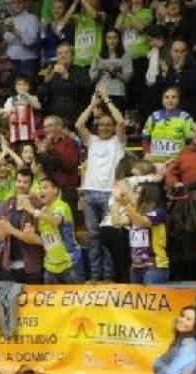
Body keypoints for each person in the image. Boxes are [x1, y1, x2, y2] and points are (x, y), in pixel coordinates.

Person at [75, 90, 127, 282]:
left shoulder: (118, 142)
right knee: (93, 237)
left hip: (110, 195)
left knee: (108, 237)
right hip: (90, 193)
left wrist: (106, 99)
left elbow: (121, 122)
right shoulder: (92, 141)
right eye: (101, 125)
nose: (104, 127)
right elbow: (79, 125)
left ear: (112, 128)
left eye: (108, 125)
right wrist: (92, 104)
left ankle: (108, 276)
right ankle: (95, 276)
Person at [0, 169, 44, 284]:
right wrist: (3, 231)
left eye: (25, 182)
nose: (21, 185)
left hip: (31, 267)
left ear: (31, 184)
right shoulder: (6, 203)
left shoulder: (38, 205)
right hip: (8, 266)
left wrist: (10, 230)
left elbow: (34, 238)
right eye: (19, 181)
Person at [29, 177, 83, 283]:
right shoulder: (42, 211)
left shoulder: (61, 205)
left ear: (55, 190)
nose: (41, 191)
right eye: (39, 188)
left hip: (69, 263)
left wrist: (33, 211)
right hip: (50, 267)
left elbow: (56, 220)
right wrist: (32, 236)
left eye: (45, 188)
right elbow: (46, 241)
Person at [153, 307, 196, 374]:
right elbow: (156, 366)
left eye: (188, 319)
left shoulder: (189, 346)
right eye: (182, 315)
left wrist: (161, 368)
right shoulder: (180, 340)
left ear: (195, 326)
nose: (182, 320)